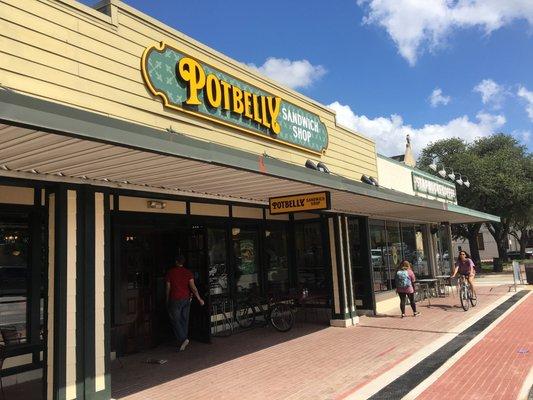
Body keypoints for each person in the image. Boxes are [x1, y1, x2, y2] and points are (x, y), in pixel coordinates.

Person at [166, 255, 204, 351]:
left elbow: (168, 288)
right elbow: (193, 288)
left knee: (175, 320)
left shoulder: (170, 273)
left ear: (176, 262)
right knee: (184, 319)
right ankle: (184, 338)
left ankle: (183, 338)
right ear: (183, 262)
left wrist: (167, 298)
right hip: (186, 299)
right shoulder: (188, 273)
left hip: (174, 298)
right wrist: (199, 299)